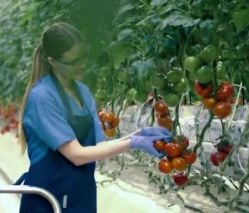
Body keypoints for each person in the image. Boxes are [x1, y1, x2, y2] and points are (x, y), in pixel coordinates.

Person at [16, 22, 171, 213]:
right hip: (48, 200)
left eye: (83, 57)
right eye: (73, 61)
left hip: (81, 196)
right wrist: (133, 143)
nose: (82, 65)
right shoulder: (43, 97)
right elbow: (77, 155)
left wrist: (138, 135)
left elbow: (98, 148)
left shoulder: (82, 92)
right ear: (53, 61)